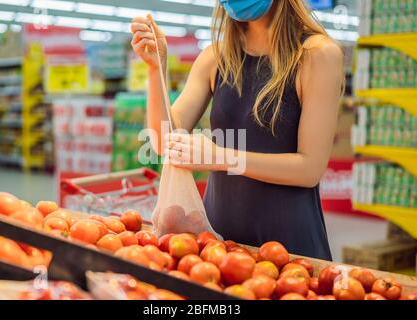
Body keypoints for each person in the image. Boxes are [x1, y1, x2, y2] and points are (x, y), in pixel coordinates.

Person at [130, 0, 344, 260]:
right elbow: (163, 143)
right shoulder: (215, 58)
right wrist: (156, 69)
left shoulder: (317, 55)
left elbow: (309, 169)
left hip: (288, 248)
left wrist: (222, 158)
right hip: (219, 244)